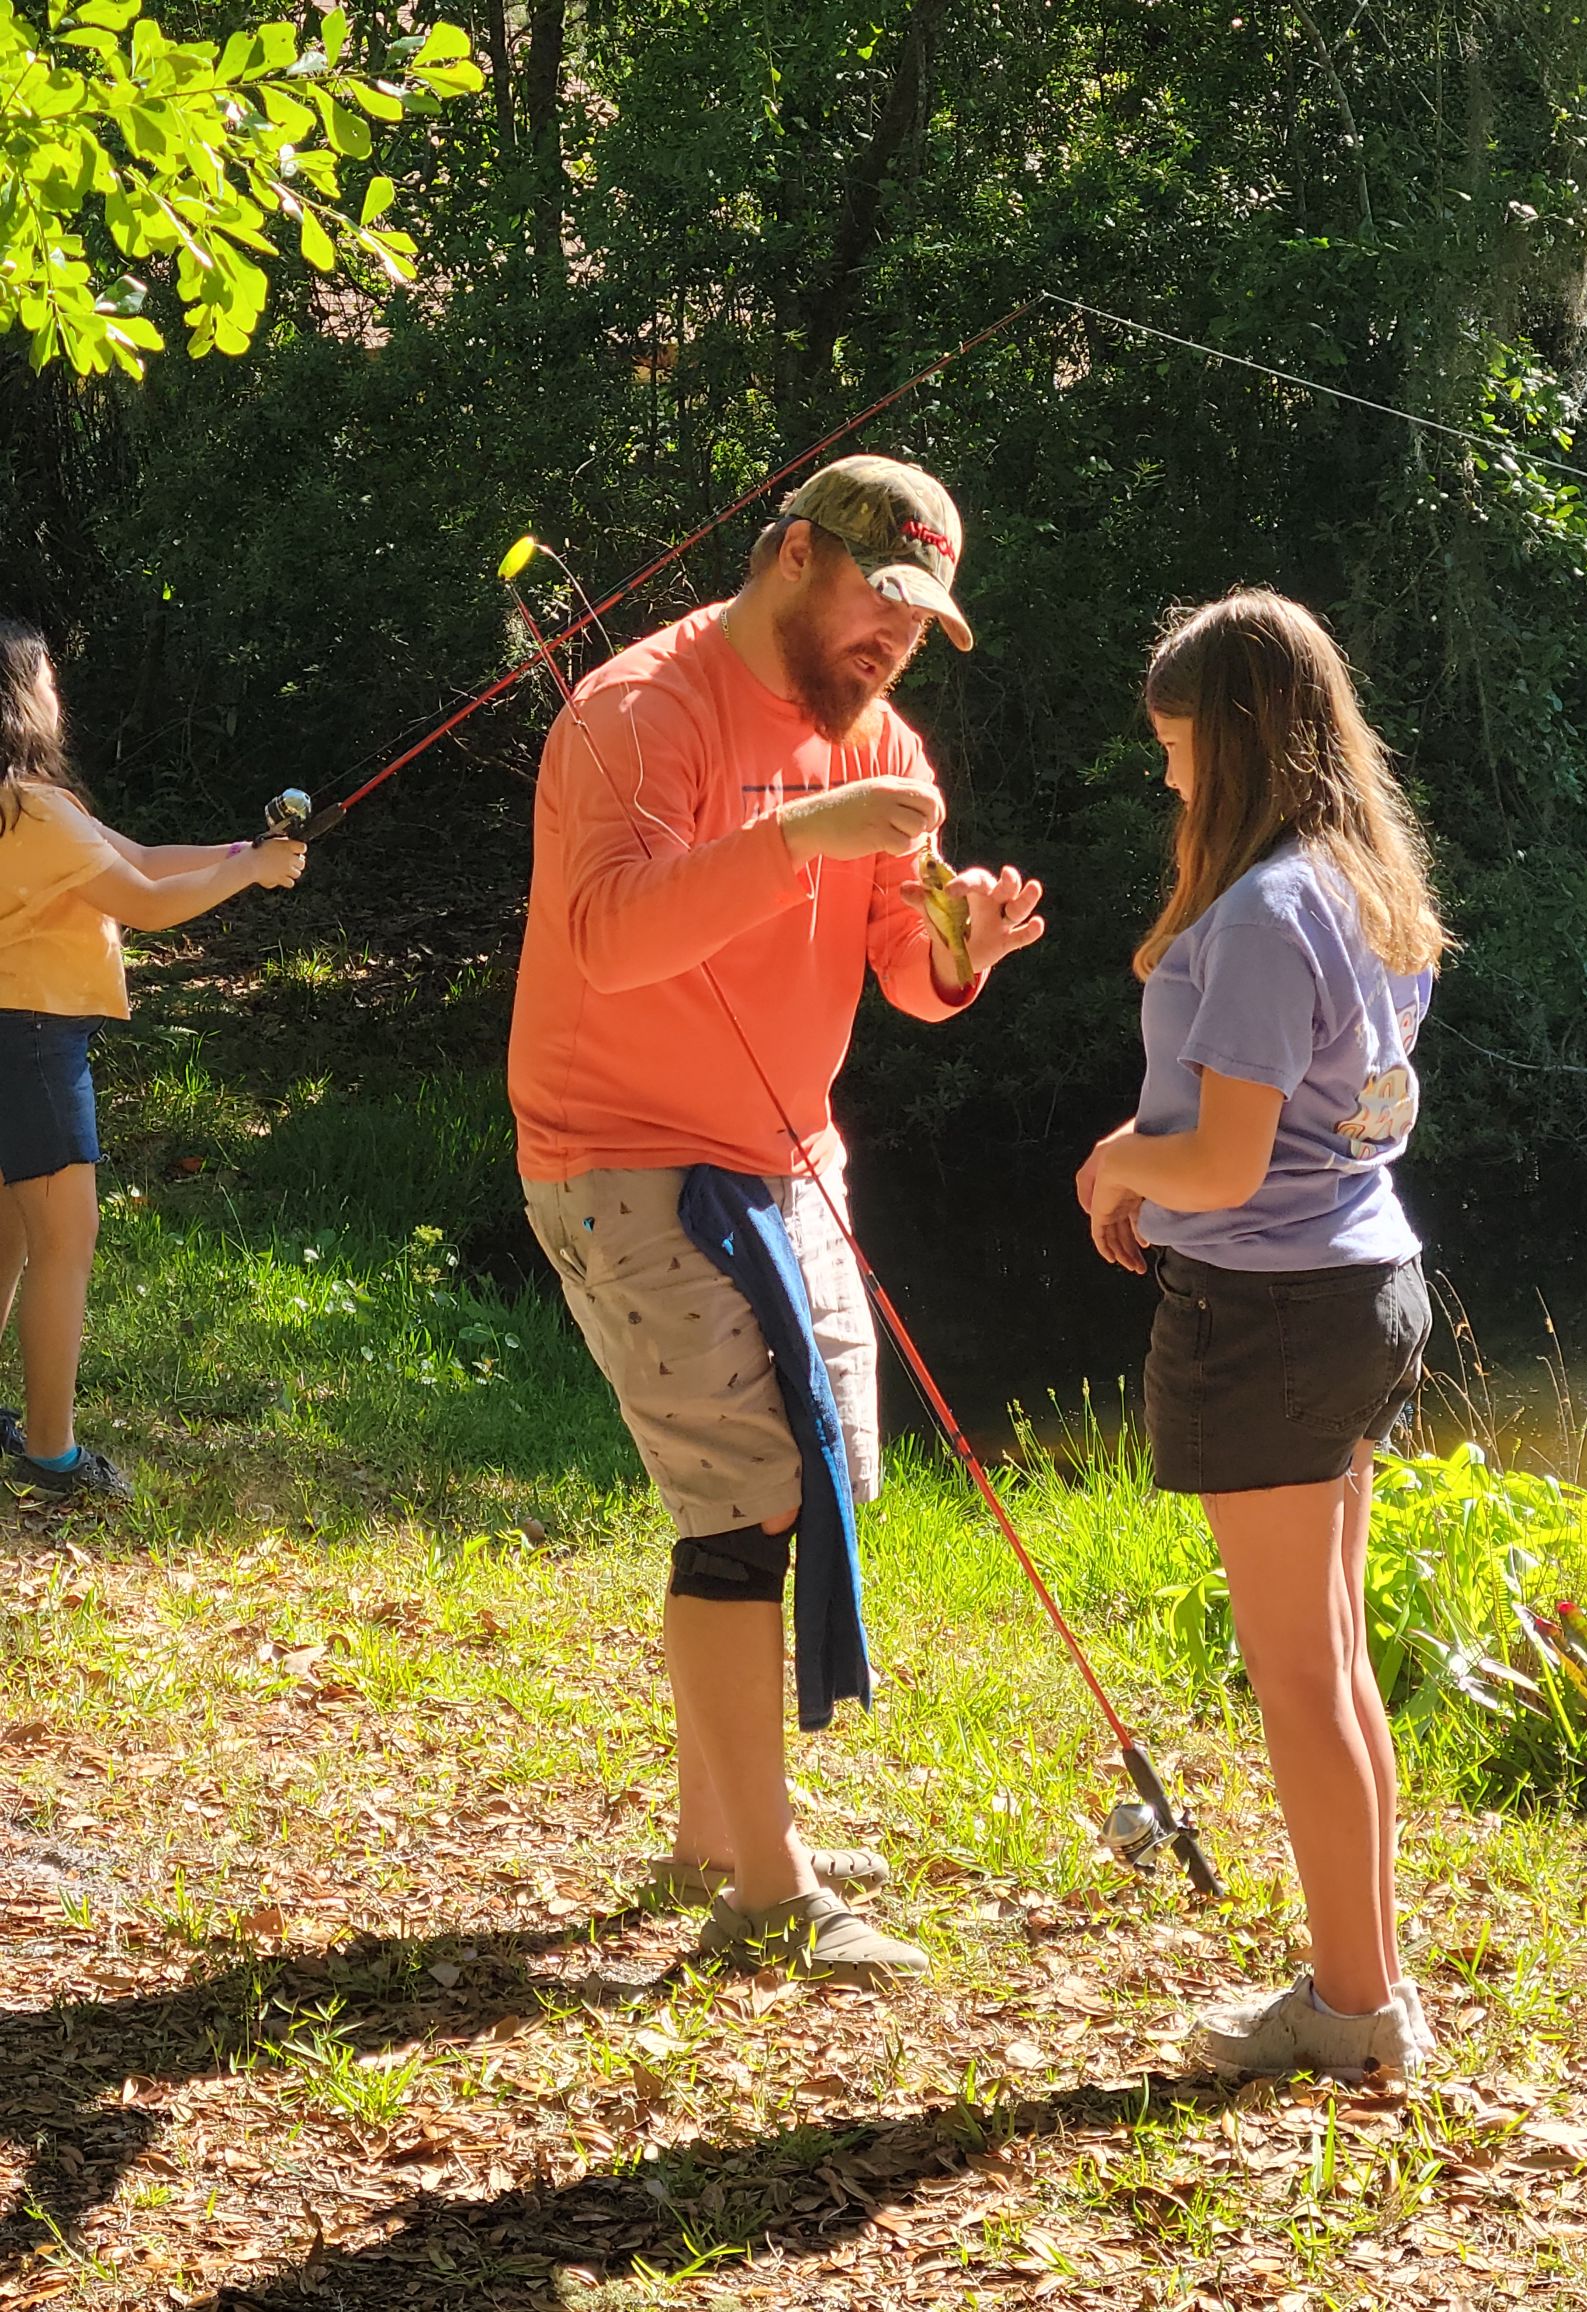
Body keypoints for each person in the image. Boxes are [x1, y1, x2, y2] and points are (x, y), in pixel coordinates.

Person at [509, 455, 1044, 1986]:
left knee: (819, 1482)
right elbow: (607, 940)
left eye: (916, 624)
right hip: (618, 1154)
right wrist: (799, 841)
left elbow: (904, 961)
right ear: (792, 556)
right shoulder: (639, 714)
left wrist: (969, 949)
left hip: (789, 1158)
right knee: (742, 1503)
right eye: (875, 608)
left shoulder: (878, 741)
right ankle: (763, 1885)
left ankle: (711, 1831)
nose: (889, 647)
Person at [1076, 590, 1447, 2078]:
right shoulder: (1363, 884)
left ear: (1232, 742)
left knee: (1298, 1675)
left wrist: (1114, 1166)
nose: (1168, 781)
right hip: (1364, 1289)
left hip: (1273, 1315)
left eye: (1176, 750)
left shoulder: (1258, 914)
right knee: (1335, 1662)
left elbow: (1220, 1167)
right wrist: (1151, 1156)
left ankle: (1354, 2012)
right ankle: (1365, 1988)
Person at [0, 618, 308, 1502]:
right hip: (35, 1040)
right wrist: (250, 875)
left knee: (13, 1235)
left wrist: (245, 855)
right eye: (49, 678)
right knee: (66, 1241)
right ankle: (52, 1456)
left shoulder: (27, 808)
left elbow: (138, 859)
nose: (59, 693)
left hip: (9, 1031)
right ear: (23, 694)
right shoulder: (37, 810)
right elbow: (144, 902)